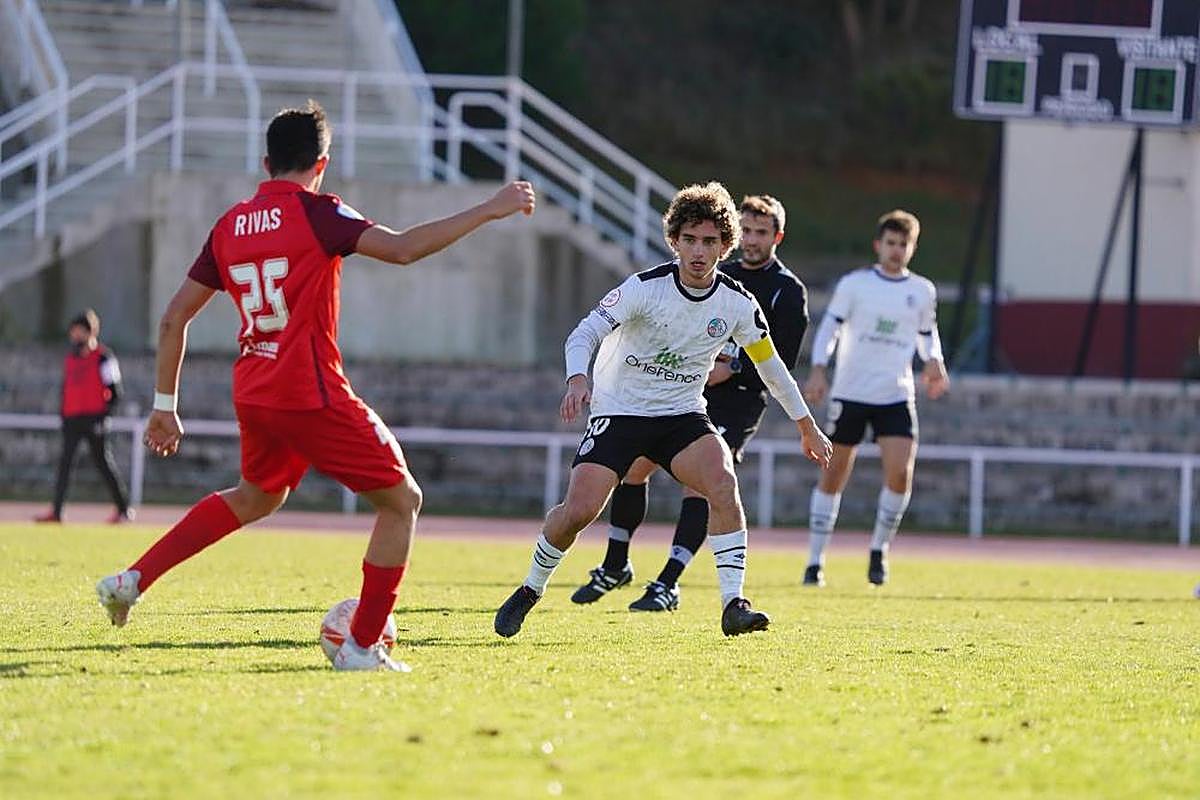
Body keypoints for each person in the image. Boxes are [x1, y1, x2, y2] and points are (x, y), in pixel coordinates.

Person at [94, 100, 536, 672]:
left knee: (257, 495)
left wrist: (164, 406)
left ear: (266, 162)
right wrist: (490, 208)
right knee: (402, 501)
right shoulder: (318, 213)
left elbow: (173, 318)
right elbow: (402, 248)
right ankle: (361, 646)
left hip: (254, 389)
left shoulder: (230, 224)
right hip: (306, 390)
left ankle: (131, 581)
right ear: (321, 164)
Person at [494, 182, 832, 638]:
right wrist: (577, 378)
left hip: (681, 415)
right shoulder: (644, 288)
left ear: (725, 245)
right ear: (674, 240)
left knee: (722, 482)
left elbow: (772, 368)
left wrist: (807, 426)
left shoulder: (737, 303)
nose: (699, 251)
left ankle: (733, 603)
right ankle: (531, 588)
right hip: (620, 412)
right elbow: (584, 333)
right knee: (579, 511)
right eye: (689, 239)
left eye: (709, 241)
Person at [569, 194, 809, 612]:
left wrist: (734, 370)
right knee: (634, 469)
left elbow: (779, 362)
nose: (753, 239)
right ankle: (615, 563)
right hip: (688, 392)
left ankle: (669, 581)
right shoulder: (708, 271)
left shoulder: (786, 292)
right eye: (748, 230)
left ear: (777, 238)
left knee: (705, 481)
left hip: (739, 400)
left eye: (761, 232)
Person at [801, 209, 948, 587]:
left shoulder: (922, 290)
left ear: (912, 248)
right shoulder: (855, 284)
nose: (896, 250)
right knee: (833, 474)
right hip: (851, 393)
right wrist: (818, 368)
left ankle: (879, 549)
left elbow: (927, 334)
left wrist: (934, 361)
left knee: (900, 474)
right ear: (878, 245)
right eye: (891, 243)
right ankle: (815, 561)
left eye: (904, 244)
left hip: (895, 394)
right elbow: (829, 329)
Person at [35, 309, 133, 524]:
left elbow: (115, 391)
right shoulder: (70, 359)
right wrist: (64, 415)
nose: (75, 336)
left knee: (103, 464)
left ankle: (124, 510)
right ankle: (57, 511)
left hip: (95, 420)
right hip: (72, 420)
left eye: (79, 331)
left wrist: (103, 418)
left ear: (90, 332)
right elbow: (66, 389)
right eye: (73, 332)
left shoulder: (104, 358)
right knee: (65, 465)